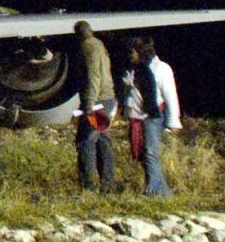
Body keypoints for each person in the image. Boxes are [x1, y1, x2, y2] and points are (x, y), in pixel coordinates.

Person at [124, 36, 180, 196]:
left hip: (151, 115)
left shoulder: (162, 68)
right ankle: (164, 193)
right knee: (145, 154)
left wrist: (173, 121)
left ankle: (152, 190)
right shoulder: (134, 69)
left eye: (133, 51)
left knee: (150, 153)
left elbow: (170, 95)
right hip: (136, 115)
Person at [73, 22, 116, 191]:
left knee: (86, 141)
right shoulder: (100, 45)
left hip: (97, 101)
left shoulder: (87, 47)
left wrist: (89, 103)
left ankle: (88, 185)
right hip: (107, 97)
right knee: (103, 141)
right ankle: (108, 184)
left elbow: (93, 76)